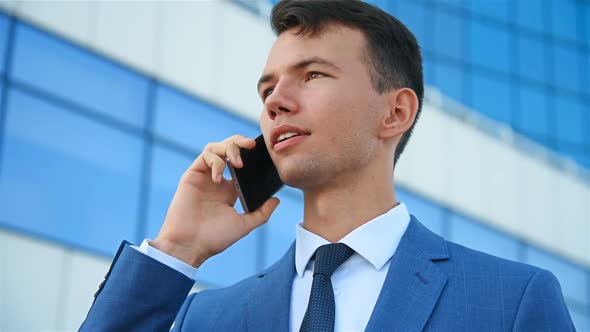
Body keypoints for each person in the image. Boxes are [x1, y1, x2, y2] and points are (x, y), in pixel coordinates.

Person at [80, 1, 575, 331]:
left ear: (395, 112)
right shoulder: (208, 317)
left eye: (312, 74)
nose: (276, 102)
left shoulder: (511, 300)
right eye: (266, 89)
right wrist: (177, 249)